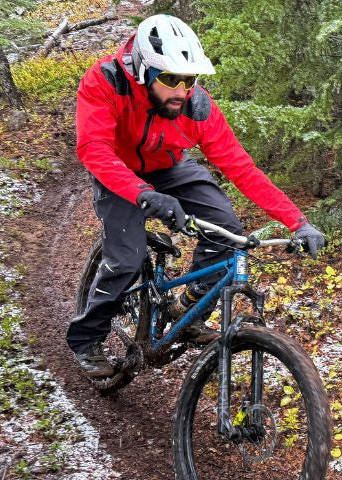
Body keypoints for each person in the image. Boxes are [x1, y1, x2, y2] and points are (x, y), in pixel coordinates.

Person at [70, 14, 324, 378]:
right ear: (143, 70)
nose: (181, 90)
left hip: (170, 166)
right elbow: (94, 149)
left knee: (225, 230)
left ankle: (187, 312)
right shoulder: (107, 82)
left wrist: (299, 222)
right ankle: (86, 338)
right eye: (170, 79)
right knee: (126, 259)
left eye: (189, 80)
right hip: (117, 168)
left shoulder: (197, 107)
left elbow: (242, 169)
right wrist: (142, 194)